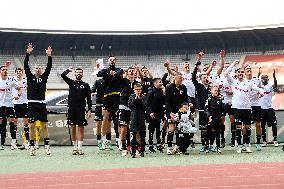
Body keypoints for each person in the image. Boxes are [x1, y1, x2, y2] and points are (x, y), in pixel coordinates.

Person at [224, 60, 264, 153]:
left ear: (244, 74)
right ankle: (239, 145)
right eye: (239, 72)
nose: (240, 73)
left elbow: (258, 89)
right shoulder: (233, 82)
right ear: (236, 74)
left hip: (247, 108)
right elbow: (226, 73)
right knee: (238, 127)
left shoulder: (249, 83)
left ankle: (246, 145)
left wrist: (261, 92)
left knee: (247, 127)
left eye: (242, 72)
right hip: (237, 108)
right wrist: (233, 63)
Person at [24, 43, 52, 156]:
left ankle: (46, 146)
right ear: (33, 69)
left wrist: (49, 56)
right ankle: (32, 147)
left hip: (41, 104)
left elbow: (49, 67)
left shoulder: (44, 78)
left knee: (44, 126)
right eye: (36, 68)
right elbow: (25, 65)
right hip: (31, 104)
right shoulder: (29, 77)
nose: (38, 69)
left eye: (40, 68)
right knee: (31, 126)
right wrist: (28, 53)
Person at [61, 67, 92, 155]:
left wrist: (89, 110)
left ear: (82, 74)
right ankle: (74, 148)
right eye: (77, 72)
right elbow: (62, 75)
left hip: (81, 109)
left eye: (80, 72)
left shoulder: (86, 85)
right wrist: (68, 70)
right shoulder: (71, 82)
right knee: (72, 127)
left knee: (81, 128)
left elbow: (89, 99)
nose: (79, 73)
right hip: (71, 109)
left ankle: (80, 148)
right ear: (75, 74)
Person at [97, 55, 123, 150]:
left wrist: (114, 74)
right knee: (105, 119)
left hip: (116, 97)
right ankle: (104, 141)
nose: (112, 61)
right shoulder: (105, 70)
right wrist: (108, 73)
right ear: (108, 62)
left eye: (113, 60)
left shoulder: (119, 70)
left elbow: (121, 73)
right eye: (110, 60)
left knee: (118, 120)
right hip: (107, 97)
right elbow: (99, 73)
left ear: (115, 61)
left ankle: (120, 141)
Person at [192, 52, 211, 152]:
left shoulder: (210, 87)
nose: (206, 78)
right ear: (200, 79)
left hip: (210, 110)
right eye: (204, 77)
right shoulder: (199, 86)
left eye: (206, 77)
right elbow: (193, 77)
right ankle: (204, 145)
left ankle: (210, 145)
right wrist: (198, 61)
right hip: (202, 109)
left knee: (210, 128)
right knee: (203, 128)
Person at [165, 72, 188, 155]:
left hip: (180, 111)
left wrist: (186, 105)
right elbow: (167, 101)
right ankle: (169, 147)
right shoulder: (169, 88)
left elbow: (185, 99)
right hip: (170, 111)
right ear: (175, 78)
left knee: (179, 129)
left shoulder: (184, 88)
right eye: (179, 78)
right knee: (171, 129)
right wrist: (170, 112)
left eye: (182, 78)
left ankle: (177, 147)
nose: (181, 80)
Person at [0, 65, 22, 150]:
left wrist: (18, 96)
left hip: (9, 105)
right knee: (2, 124)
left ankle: (13, 143)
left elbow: (19, 89)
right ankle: (1, 143)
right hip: (1, 105)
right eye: (3, 70)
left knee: (12, 123)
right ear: (0, 72)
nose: (5, 71)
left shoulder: (11, 81)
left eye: (6, 69)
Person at [119, 67, 138, 156]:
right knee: (123, 129)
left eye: (132, 71)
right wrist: (125, 72)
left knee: (134, 129)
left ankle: (135, 146)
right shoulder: (123, 81)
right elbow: (120, 78)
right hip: (123, 107)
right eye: (129, 71)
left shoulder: (137, 83)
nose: (131, 72)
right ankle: (124, 147)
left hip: (133, 108)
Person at [244, 65, 263, 151]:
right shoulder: (243, 81)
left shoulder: (257, 80)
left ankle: (258, 143)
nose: (249, 70)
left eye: (250, 69)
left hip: (256, 104)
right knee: (246, 126)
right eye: (247, 69)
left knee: (258, 124)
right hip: (246, 105)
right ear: (244, 72)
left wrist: (260, 93)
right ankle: (246, 143)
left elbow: (261, 88)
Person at [259, 69, 278, 147]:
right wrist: (258, 74)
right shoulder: (259, 86)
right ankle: (264, 140)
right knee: (262, 125)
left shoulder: (270, 86)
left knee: (274, 124)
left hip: (269, 108)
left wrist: (274, 76)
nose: (264, 78)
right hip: (262, 109)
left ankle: (275, 140)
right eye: (262, 77)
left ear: (268, 79)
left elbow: (275, 85)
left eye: (265, 77)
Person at [128, 83, 147, 158]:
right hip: (134, 119)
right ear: (134, 90)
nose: (138, 91)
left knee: (142, 137)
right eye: (137, 90)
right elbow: (131, 106)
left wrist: (140, 100)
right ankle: (133, 152)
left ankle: (142, 151)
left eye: (139, 90)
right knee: (133, 137)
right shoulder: (131, 97)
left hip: (141, 119)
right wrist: (136, 99)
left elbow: (144, 107)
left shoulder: (143, 97)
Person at [147, 78, 165, 153]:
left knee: (158, 130)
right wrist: (151, 112)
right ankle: (150, 145)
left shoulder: (162, 91)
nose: (161, 83)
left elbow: (164, 102)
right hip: (152, 114)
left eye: (161, 82)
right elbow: (148, 104)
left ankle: (158, 145)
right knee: (151, 130)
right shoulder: (151, 92)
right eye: (159, 82)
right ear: (155, 84)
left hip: (159, 114)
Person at [13, 68, 29, 150]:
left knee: (26, 123)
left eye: (20, 72)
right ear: (15, 73)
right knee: (14, 123)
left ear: (22, 73)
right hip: (15, 104)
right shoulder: (12, 80)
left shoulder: (25, 81)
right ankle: (14, 142)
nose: (18, 73)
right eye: (17, 72)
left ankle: (26, 142)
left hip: (24, 103)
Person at [204, 86, 224, 153]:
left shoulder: (219, 100)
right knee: (208, 133)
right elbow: (206, 109)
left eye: (217, 90)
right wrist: (209, 116)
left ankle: (218, 147)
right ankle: (207, 146)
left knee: (218, 133)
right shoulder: (208, 99)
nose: (216, 92)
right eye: (214, 90)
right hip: (210, 119)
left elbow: (222, 109)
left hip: (217, 119)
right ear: (211, 91)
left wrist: (221, 116)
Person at [91, 78, 105, 150]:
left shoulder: (111, 80)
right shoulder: (98, 81)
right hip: (99, 105)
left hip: (107, 105)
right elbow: (92, 90)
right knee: (98, 125)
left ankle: (105, 142)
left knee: (105, 125)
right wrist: (92, 92)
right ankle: (99, 141)